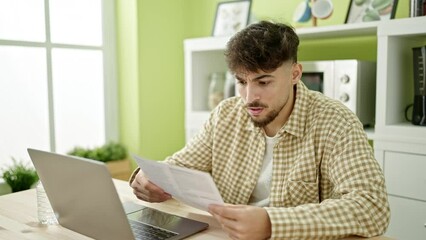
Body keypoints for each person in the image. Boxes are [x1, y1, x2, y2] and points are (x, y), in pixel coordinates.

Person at [130, 21, 390, 239]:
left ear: (295, 74)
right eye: (241, 82)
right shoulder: (227, 114)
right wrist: (150, 178)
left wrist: (271, 222)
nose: (249, 97)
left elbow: (372, 206)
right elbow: (180, 166)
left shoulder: (335, 122)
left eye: (263, 82)